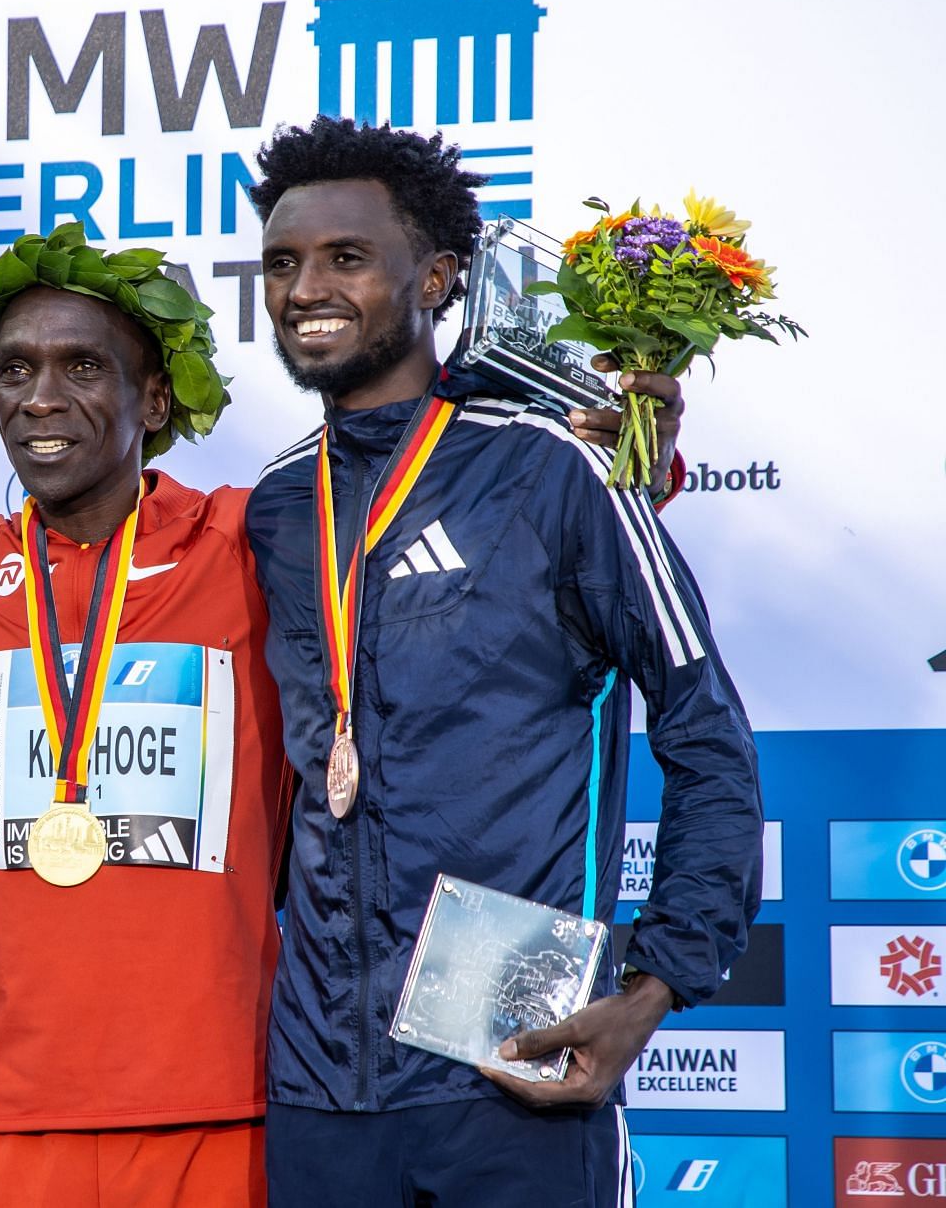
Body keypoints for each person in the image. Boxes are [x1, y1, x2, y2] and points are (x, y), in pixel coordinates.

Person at [244, 116, 762, 1206]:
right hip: (314, 1085)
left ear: (435, 278)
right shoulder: (278, 505)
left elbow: (706, 734)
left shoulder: (551, 468)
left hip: (514, 1061)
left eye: (346, 257)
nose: (304, 288)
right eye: (282, 263)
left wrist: (653, 984)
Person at [0, 226, 288, 1208]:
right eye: (15, 369)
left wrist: (626, 459)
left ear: (154, 400)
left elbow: (443, 530)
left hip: (217, 1101)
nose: (40, 398)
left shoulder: (244, 537)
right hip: (5, 1114)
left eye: (80, 367)